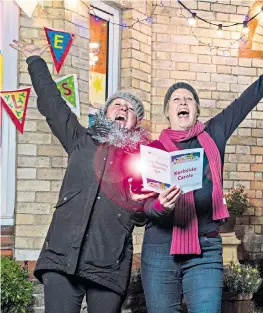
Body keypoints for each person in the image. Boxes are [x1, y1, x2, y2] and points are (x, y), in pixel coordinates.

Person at [138, 48, 263, 313]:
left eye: (188, 99)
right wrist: (160, 207)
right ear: (167, 111)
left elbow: (243, 103)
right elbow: (142, 207)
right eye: (176, 99)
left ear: (197, 109)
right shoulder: (154, 151)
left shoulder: (213, 134)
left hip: (205, 245)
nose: (183, 102)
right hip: (160, 248)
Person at [10, 40, 156, 313]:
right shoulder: (80, 139)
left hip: (107, 265)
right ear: (105, 112)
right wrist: (35, 61)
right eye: (118, 104)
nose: (123, 109)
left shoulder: (143, 159)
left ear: (136, 122)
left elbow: (141, 216)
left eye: (130, 108)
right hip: (62, 256)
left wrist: (138, 204)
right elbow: (53, 105)